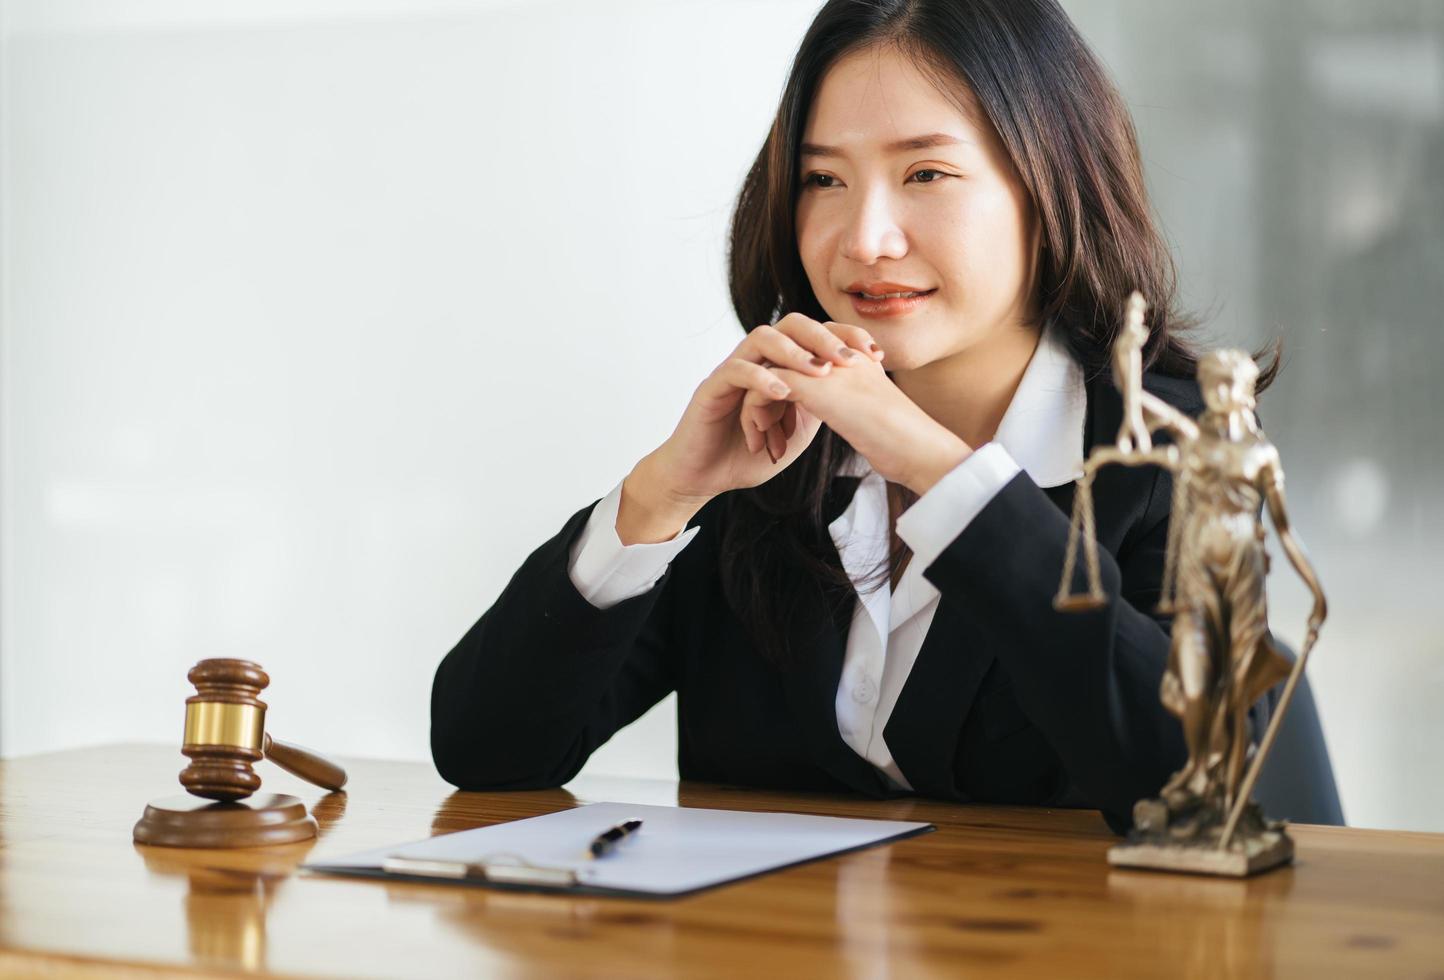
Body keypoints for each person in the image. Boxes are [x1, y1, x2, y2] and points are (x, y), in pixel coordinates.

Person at [431, 0, 1280, 834]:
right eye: (824, 179)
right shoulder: (772, 446)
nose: (865, 239)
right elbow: (488, 751)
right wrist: (659, 497)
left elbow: (1191, 786)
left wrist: (946, 479)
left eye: (925, 174)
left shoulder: (1172, 450)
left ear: (1049, 184)